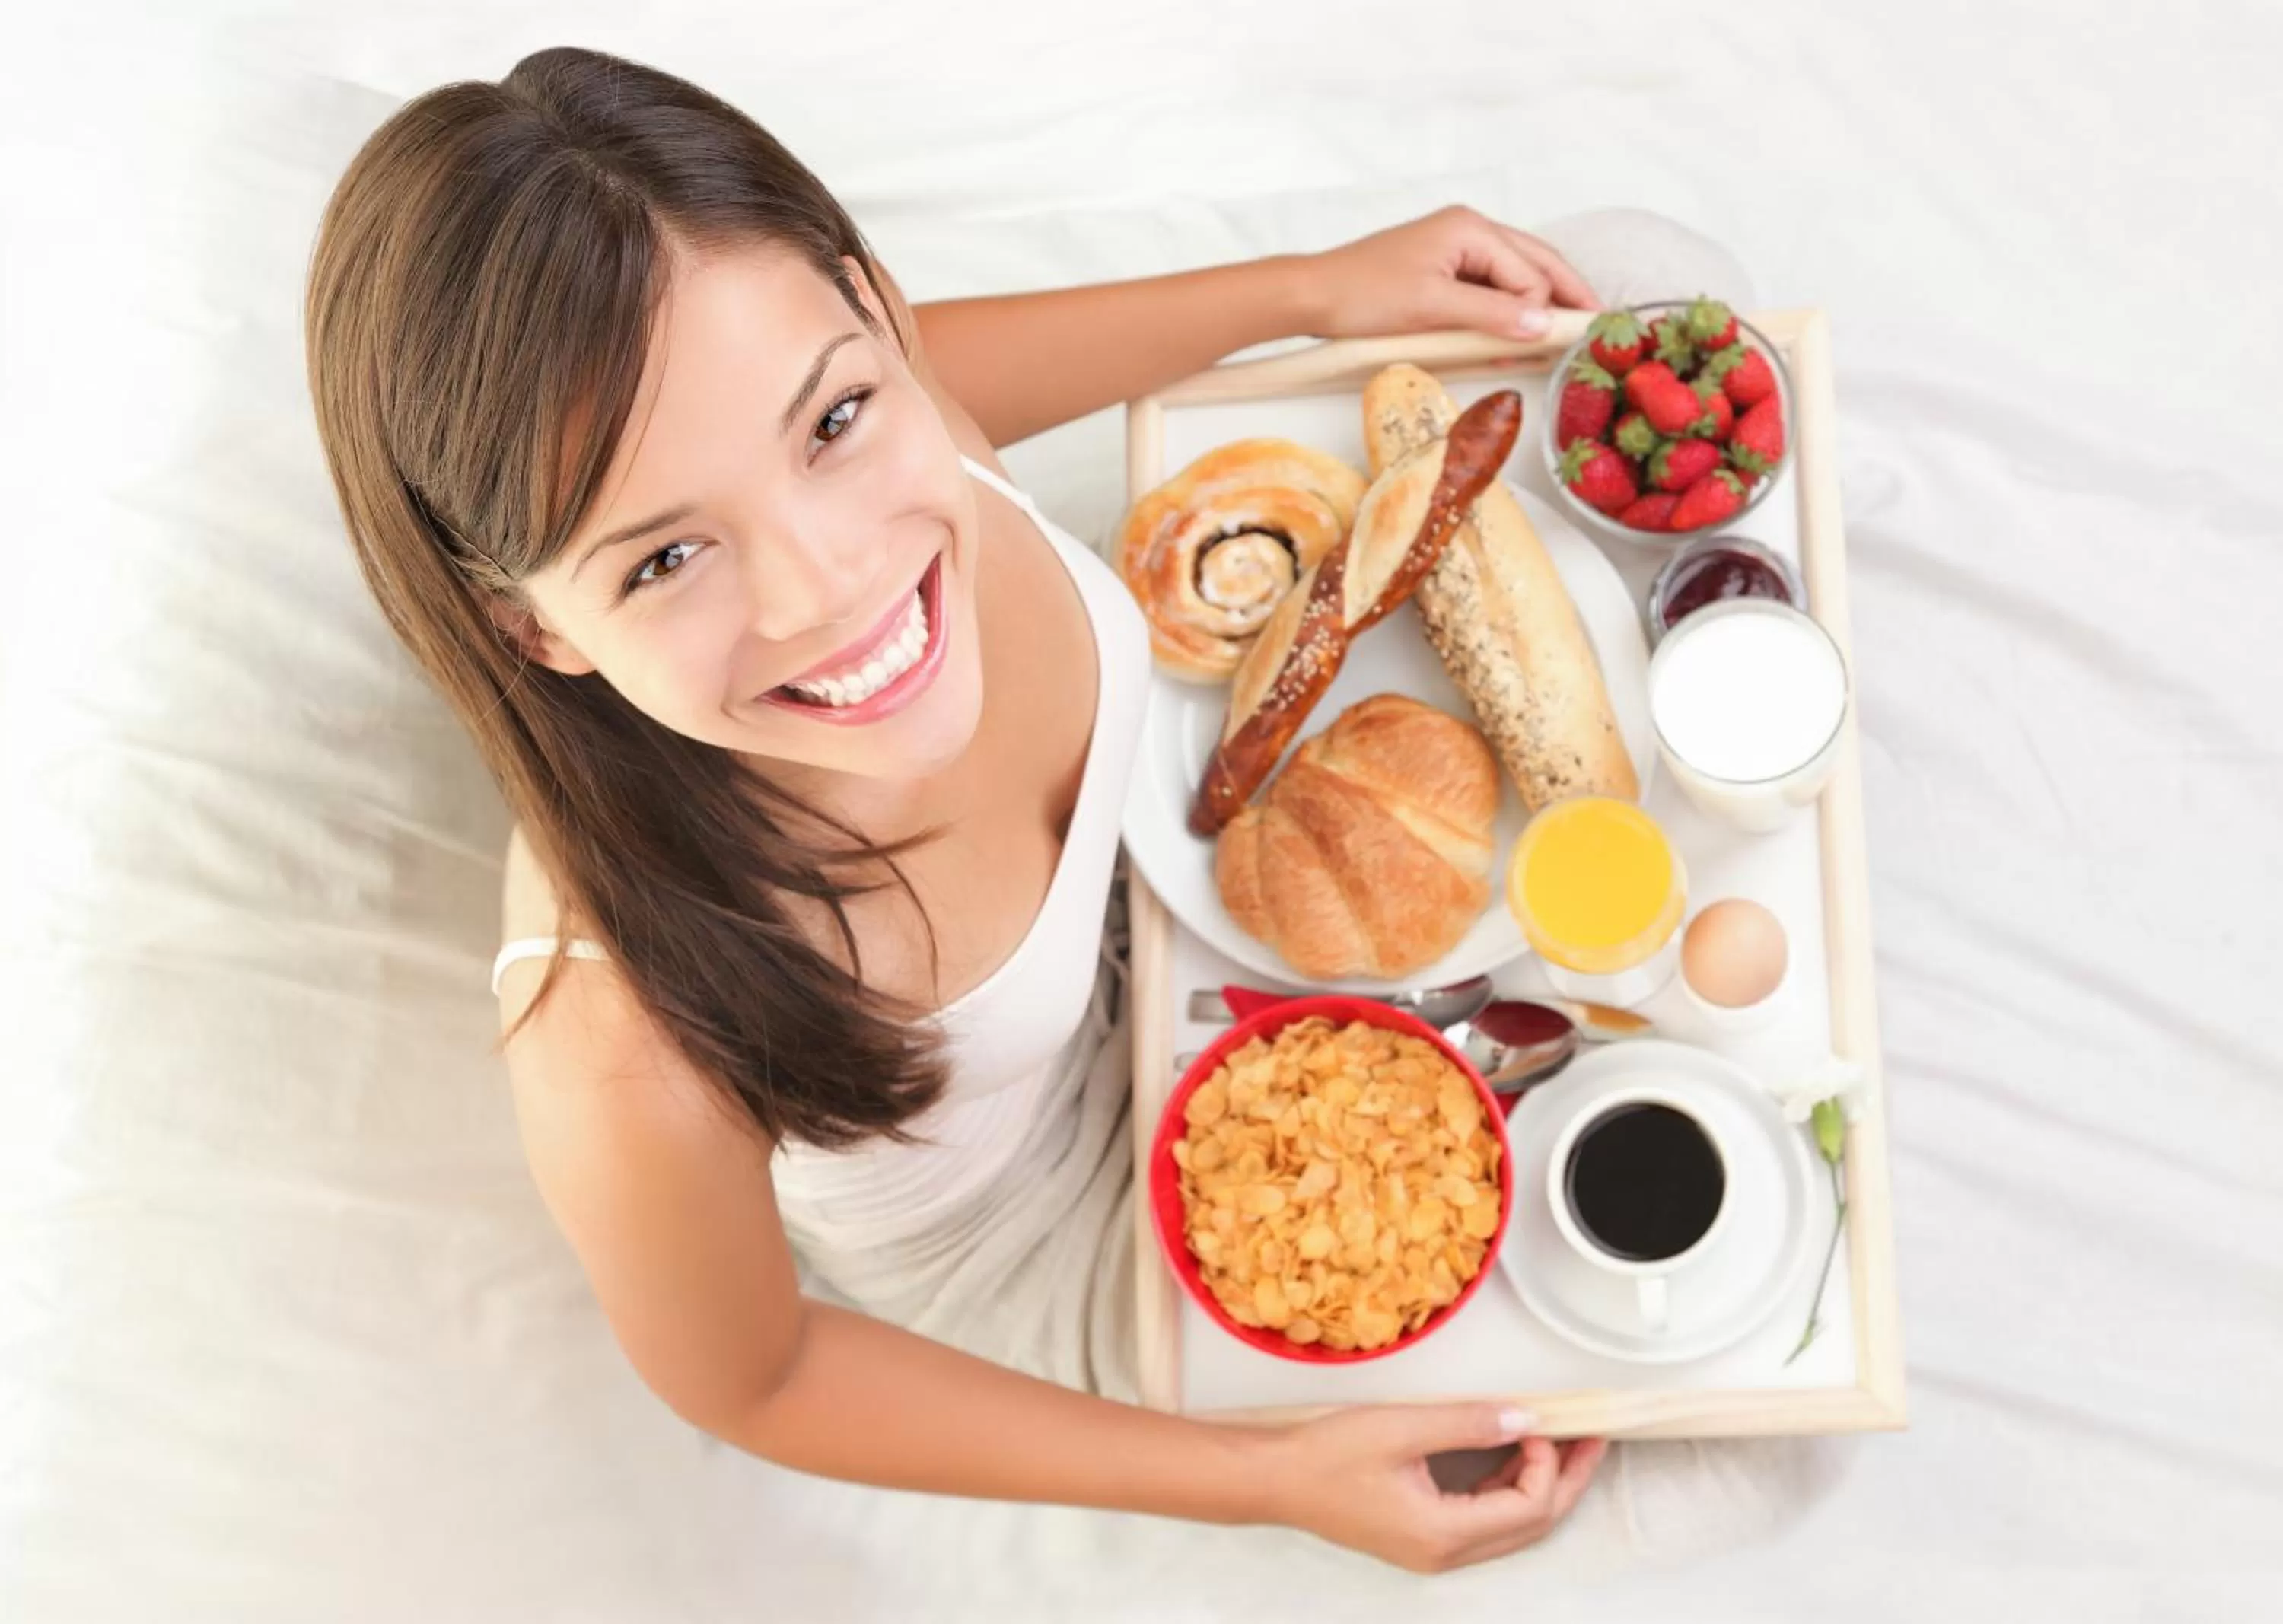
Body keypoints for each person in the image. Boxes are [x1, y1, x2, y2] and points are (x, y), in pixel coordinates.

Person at [304, 44, 1756, 1574]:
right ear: (531, 627)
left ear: (876, 311)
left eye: (833, 419)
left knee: (1633, 271)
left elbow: (935, 376)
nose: (832, 587)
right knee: (1727, 1474)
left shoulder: (893, 411)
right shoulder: (629, 1043)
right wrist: (1264, 1479)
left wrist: (1311, 289)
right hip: (1059, 1211)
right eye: (666, 557)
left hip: (1202, 883)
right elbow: (757, 1376)